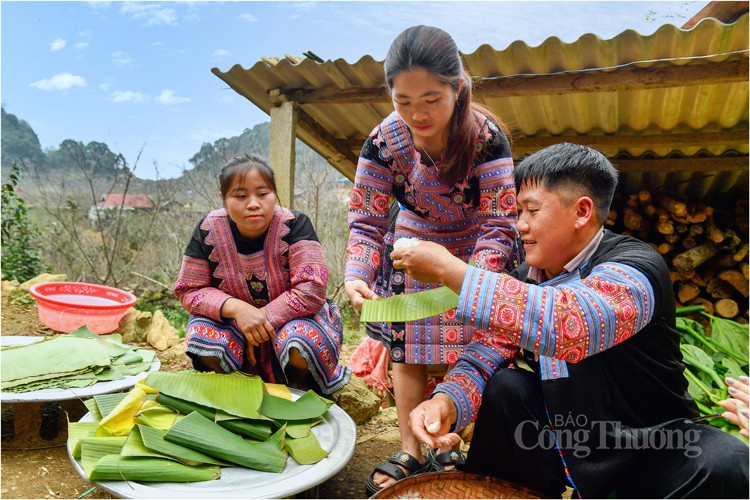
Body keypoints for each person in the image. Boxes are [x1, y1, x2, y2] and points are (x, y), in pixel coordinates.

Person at [392, 143, 749, 498]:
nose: (520, 225)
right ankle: (515, 493)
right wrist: (447, 402)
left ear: (581, 212)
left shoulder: (635, 267)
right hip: (578, 441)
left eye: (532, 210)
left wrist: (449, 269)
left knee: (726, 460)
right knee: (507, 388)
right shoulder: (526, 277)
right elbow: (484, 354)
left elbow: (567, 324)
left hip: (656, 445)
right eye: (518, 211)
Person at [344, 25, 520, 494]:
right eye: (403, 101)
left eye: (431, 99)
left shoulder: (486, 138)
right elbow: (366, 220)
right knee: (409, 341)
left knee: (470, 340)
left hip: (475, 246)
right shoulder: (383, 143)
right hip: (413, 245)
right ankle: (410, 446)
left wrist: (465, 276)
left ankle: (446, 442)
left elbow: (500, 223)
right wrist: (357, 273)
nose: (417, 114)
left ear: (457, 88)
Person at [174, 153, 350, 396]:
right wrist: (238, 309)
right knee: (203, 337)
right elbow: (189, 289)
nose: (253, 203)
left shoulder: (295, 225)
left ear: (274, 194)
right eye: (240, 196)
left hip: (295, 319)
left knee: (301, 340)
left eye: (263, 193)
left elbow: (311, 291)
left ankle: (300, 395)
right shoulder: (208, 230)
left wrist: (257, 320)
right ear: (224, 200)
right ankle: (233, 395)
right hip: (232, 322)